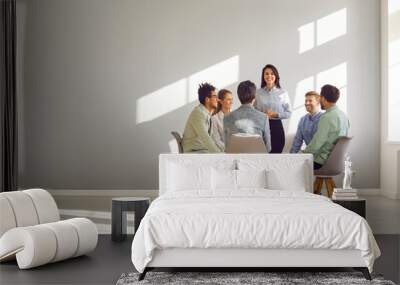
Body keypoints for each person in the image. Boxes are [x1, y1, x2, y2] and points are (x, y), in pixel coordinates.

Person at [304, 84, 350, 169]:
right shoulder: (344, 115)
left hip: (322, 162)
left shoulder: (326, 117)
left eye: (320, 97)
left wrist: (303, 154)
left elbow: (317, 143)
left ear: (323, 98)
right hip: (338, 162)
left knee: (293, 164)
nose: (320, 100)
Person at [224, 80, 271, 152]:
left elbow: (227, 147)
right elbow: (268, 148)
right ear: (254, 97)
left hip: (235, 160)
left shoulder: (227, 118)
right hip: (257, 160)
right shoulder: (264, 118)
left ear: (238, 96)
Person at [255, 64, 291, 153]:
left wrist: (276, 114)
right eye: (266, 74)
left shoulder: (283, 93)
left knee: (276, 155)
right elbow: (254, 112)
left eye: (272, 73)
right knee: (262, 156)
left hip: (277, 128)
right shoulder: (258, 93)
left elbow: (289, 113)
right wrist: (263, 115)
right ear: (263, 76)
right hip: (262, 128)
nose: (269, 76)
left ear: (276, 76)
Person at [181, 83, 222, 153]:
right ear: (207, 99)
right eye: (215, 96)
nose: (217, 100)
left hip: (202, 150)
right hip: (193, 152)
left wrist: (222, 150)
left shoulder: (207, 114)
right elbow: (206, 138)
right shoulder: (198, 114)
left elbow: (212, 139)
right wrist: (219, 154)